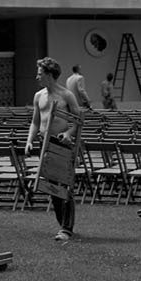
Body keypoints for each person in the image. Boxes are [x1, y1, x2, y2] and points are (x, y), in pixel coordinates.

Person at [25, 57, 83, 241]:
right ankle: (63, 227)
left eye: (40, 74)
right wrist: (29, 141)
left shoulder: (66, 95)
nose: (37, 77)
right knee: (51, 188)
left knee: (64, 186)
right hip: (45, 145)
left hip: (62, 144)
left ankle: (66, 229)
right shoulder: (38, 96)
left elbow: (78, 120)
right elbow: (35, 122)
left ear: (50, 75)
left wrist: (69, 133)